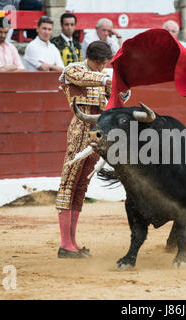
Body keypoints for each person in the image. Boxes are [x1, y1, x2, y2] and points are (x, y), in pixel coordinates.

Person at [56, 41, 130, 259]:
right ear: (88, 57)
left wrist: (123, 84)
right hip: (80, 131)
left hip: (98, 132)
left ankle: (72, 243)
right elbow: (82, 78)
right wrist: (109, 78)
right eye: (98, 63)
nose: (100, 67)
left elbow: (123, 97)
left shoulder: (104, 75)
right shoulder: (73, 69)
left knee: (81, 186)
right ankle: (64, 243)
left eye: (103, 63)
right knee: (69, 182)